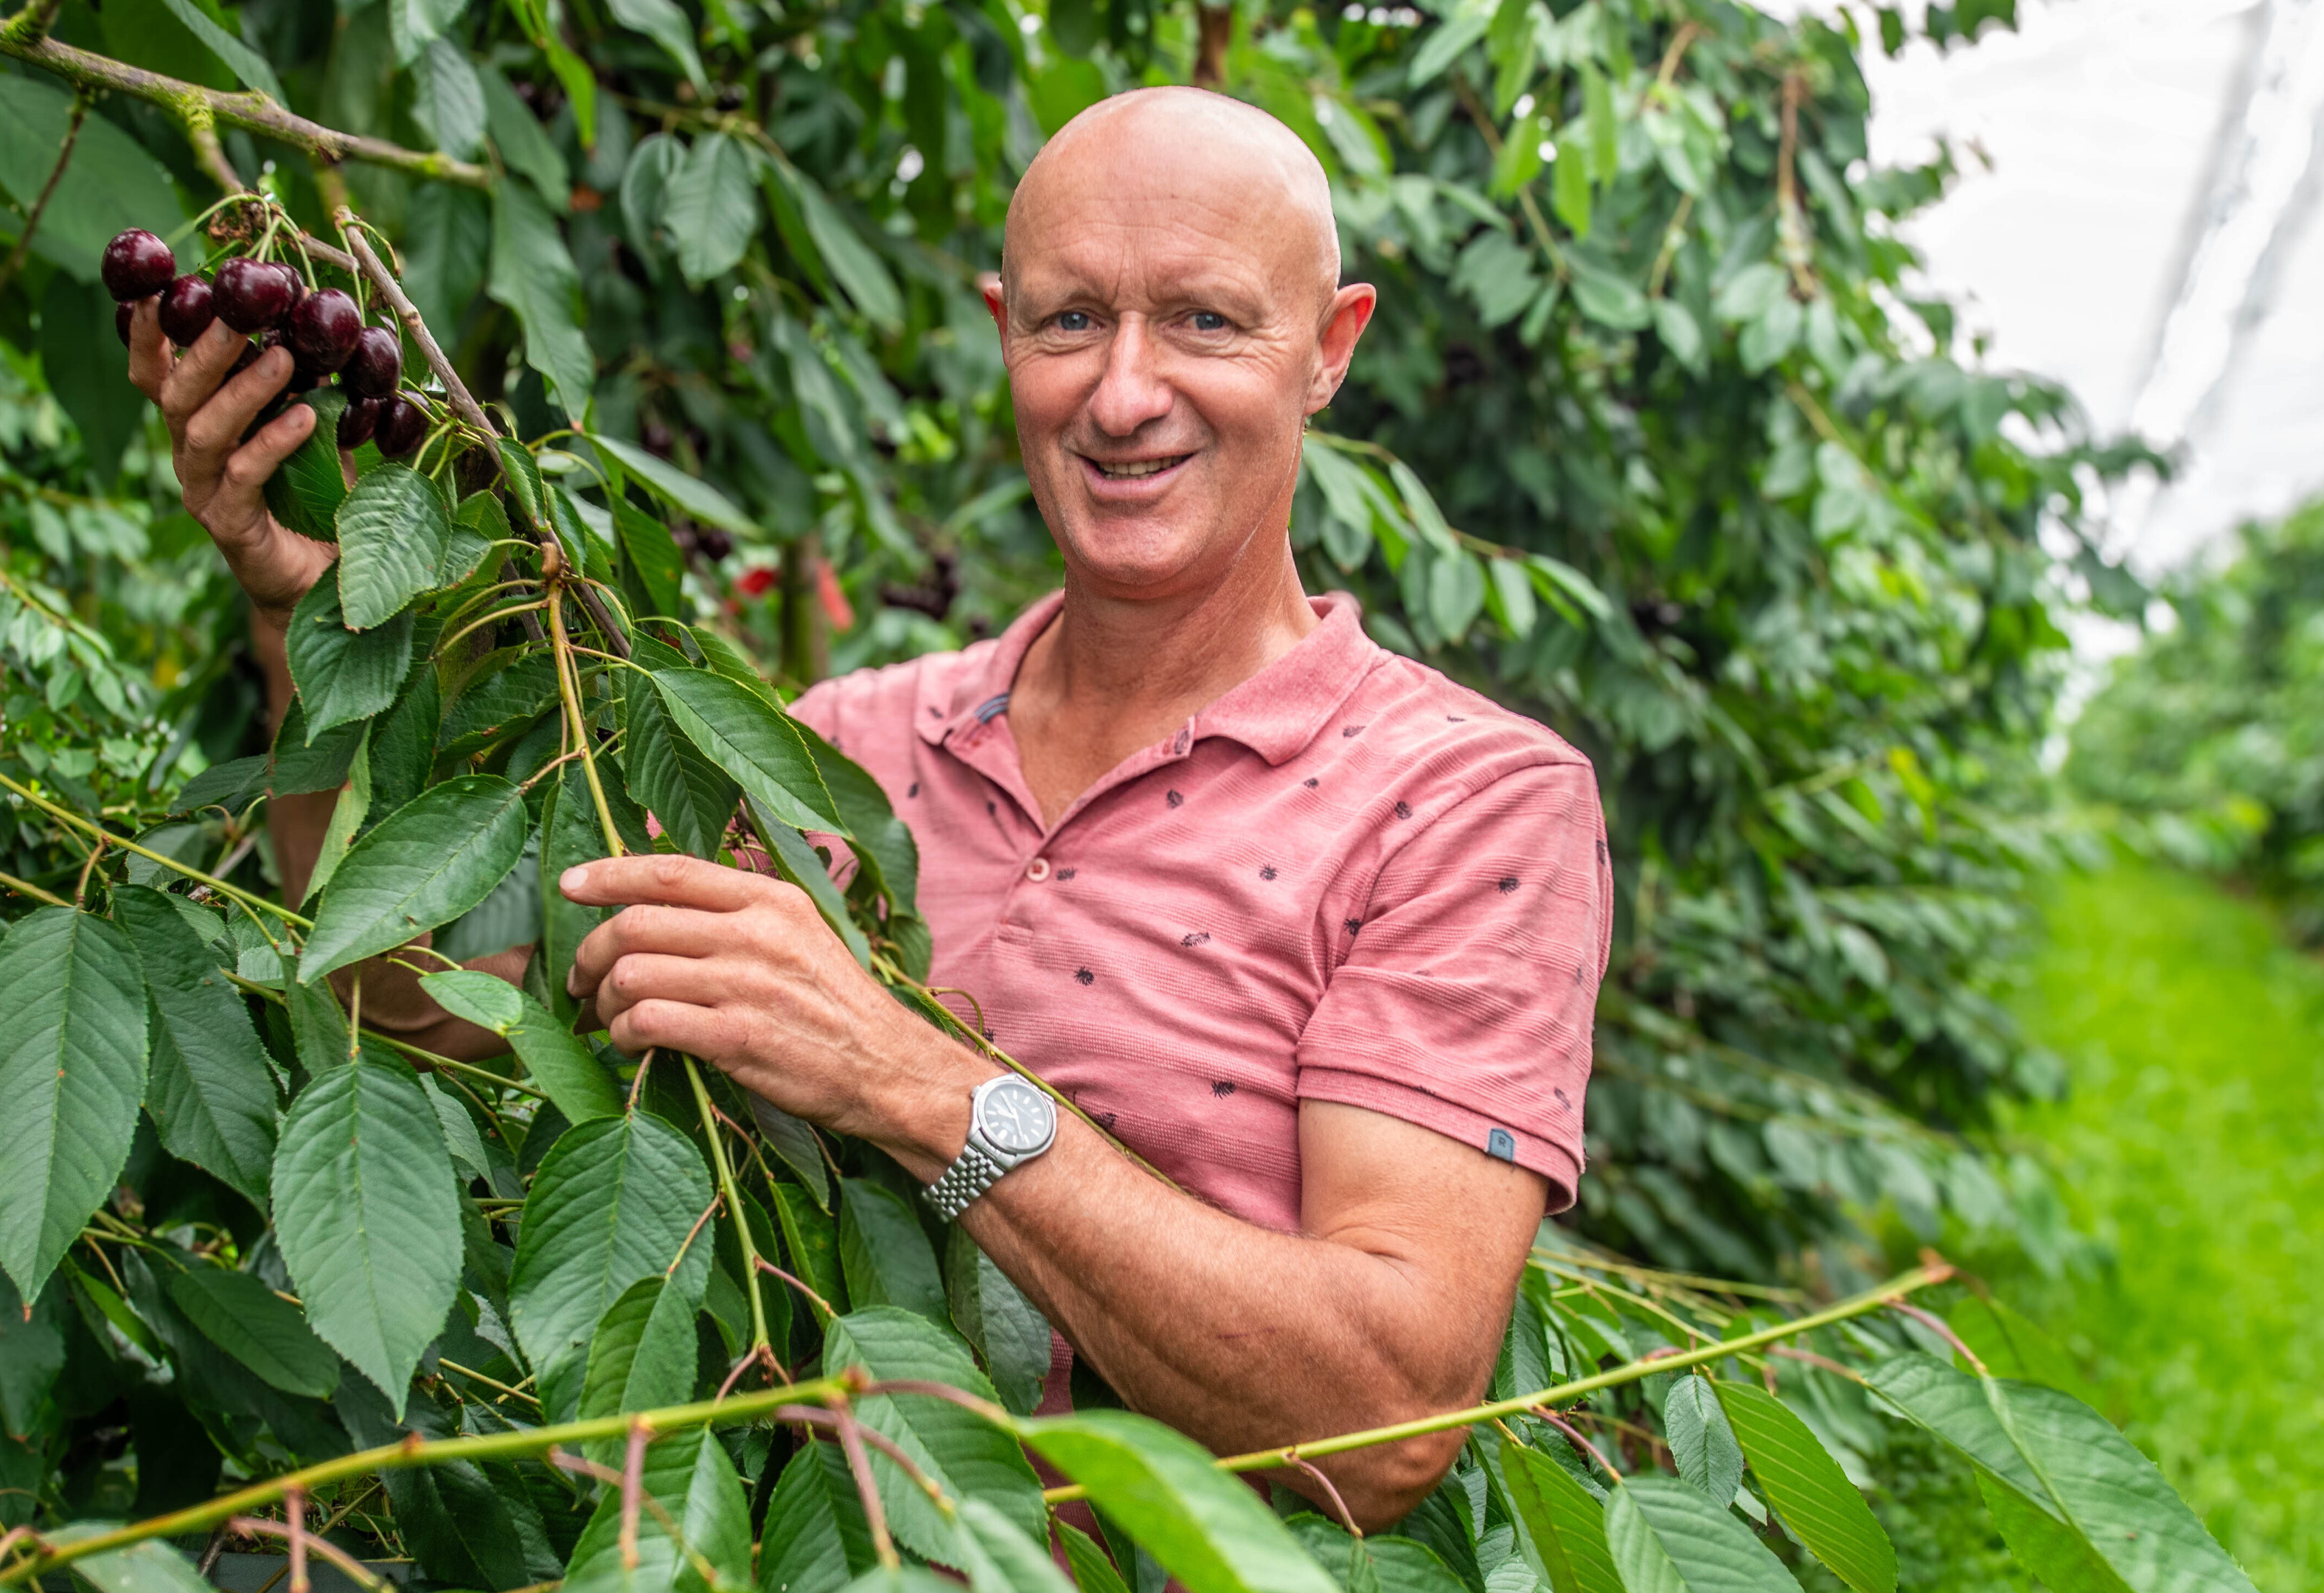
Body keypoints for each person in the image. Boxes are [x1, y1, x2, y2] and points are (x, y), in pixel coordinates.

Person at [125, 86, 1610, 1529]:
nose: (1126, 393)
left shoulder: (1468, 805)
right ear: (1002, 331)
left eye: (1207, 320)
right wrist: (316, 640)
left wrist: (911, 1081)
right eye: (1071, 318)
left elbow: (1388, 1411)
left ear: (1329, 347)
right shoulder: (836, 750)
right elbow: (436, 1018)